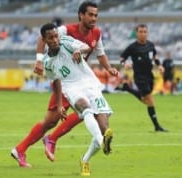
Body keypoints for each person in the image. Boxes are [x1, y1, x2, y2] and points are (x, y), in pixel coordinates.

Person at [11, 1, 118, 169]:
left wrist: (109, 68)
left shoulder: (96, 33)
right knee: (51, 120)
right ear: (81, 15)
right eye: (90, 14)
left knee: (86, 112)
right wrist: (39, 61)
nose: (94, 18)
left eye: (96, 15)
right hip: (66, 81)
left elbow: (100, 53)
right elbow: (43, 37)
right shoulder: (65, 32)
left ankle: (51, 140)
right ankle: (23, 148)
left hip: (82, 80)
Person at [42, 23, 113, 176]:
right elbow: (56, 81)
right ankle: (102, 141)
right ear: (45, 40)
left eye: (56, 36)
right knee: (84, 108)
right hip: (71, 88)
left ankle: (85, 160)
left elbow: (87, 47)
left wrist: (79, 50)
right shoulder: (47, 62)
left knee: (104, 127)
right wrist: (60, 104)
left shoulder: (66, 41)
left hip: (90, 84)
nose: (55, 40)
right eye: (51, 38)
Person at [119, 24, 168, 132]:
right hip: (139, 77)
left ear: (147, 33)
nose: (143, 34)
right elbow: (122, 57)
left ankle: (128, 89)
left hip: (149, 76)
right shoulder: (132, 47)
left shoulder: (150, 45)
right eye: (140, 32)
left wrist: (159, 65)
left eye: (145, 32)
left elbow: (154, 56)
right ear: (137, 33)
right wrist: (125, 63)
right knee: (150, 100)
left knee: (146, 100)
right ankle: (157, 126)